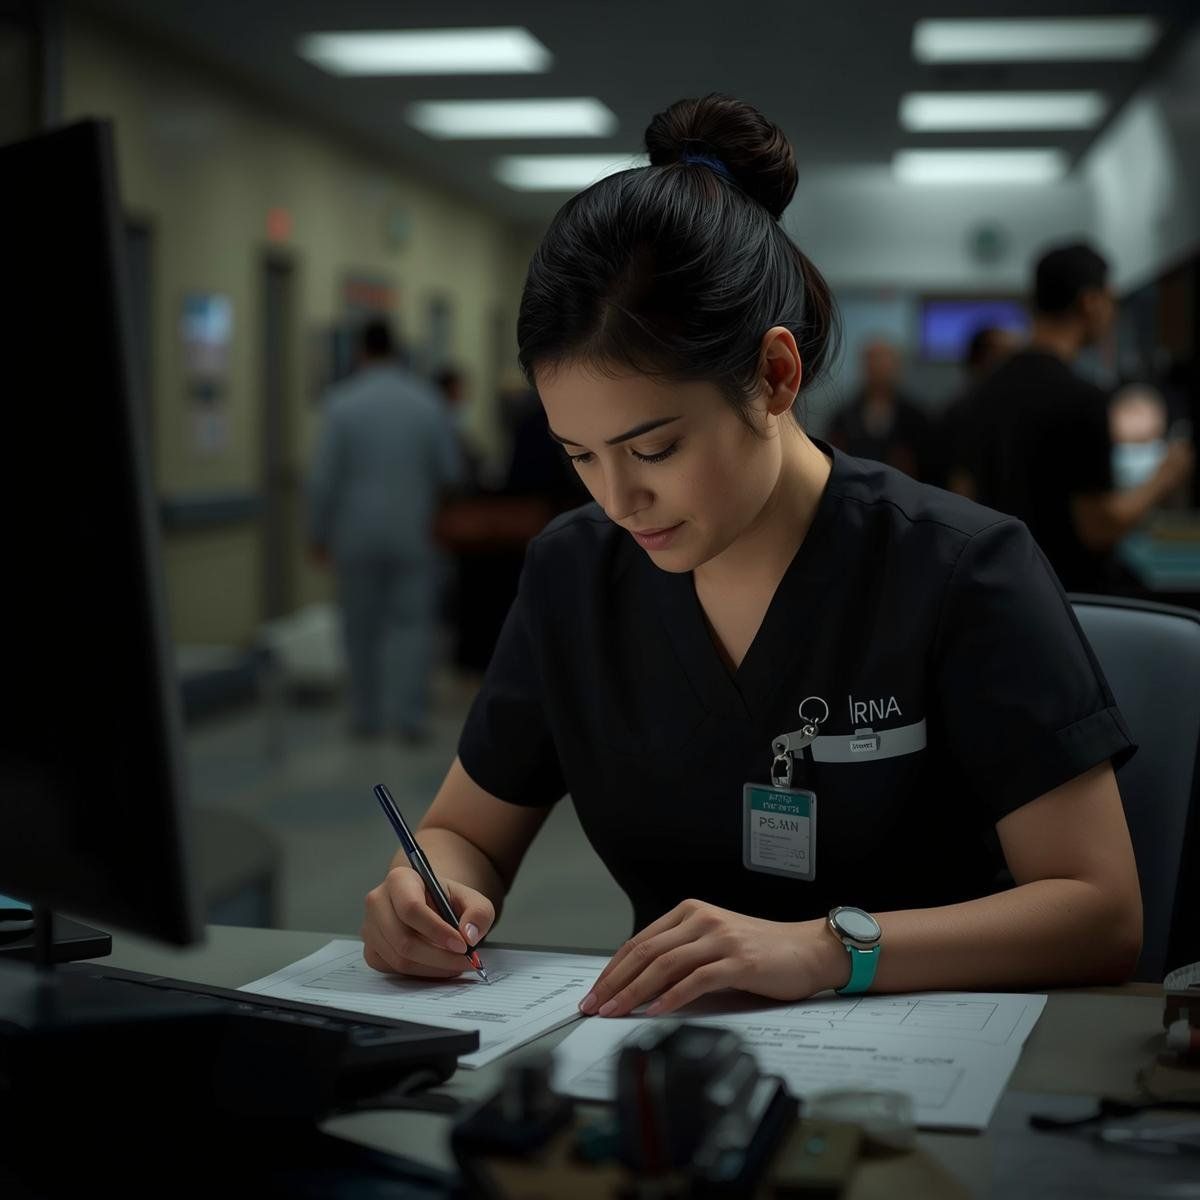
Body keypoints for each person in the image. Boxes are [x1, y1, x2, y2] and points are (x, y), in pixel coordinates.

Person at [362, 96, 1144, 1017]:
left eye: (653, 450)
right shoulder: (575, 574)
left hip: (926, 1061)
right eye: (580, 456)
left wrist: (825, 949)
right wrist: (431, 889)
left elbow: (1100, 914)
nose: (617, 501)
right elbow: (465, 832)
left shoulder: (960, 570)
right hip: (663, 1071)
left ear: (776, 377)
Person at [963, 242, 1193, 592]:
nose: (1112, 312)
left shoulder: (989, 388)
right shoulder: (1081, 398)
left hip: (1002, 586)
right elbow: (1098, 528)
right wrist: (1166, 475)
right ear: (1091, 302)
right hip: (1068, 597)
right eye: (1110, 299)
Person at [308, 319, 462, 742]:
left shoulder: (341, 403)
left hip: (354, 534)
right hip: (415, 531)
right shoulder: (427, 402)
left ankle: (365, 716)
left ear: (361, 352)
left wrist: (317, 534)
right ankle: (409, 717)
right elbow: (449, 471)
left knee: (360, 627)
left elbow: (323, 479)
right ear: (398, 351)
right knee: (413, 626)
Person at [826, 339, 932, 480]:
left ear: (896, 368)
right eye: (873, 362)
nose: (879, 369)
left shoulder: (915, 417)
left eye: (885, 363)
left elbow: (929, 464)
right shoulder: (844, 417)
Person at [933, 324, 1019, 493]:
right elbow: (959, 481)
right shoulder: (963, 412)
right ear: (985, 358)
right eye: (1006, 356)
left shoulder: (1007, 407)